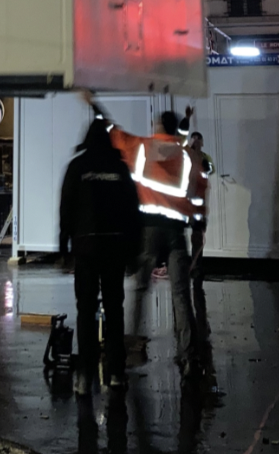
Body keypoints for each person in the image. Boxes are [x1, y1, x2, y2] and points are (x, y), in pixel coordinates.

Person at [81, 92, 202, 373]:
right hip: (176, 232)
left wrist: (93, 103)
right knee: (181, 295)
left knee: (139, 290)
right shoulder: (185, 154)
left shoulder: (143, 148)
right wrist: (186, 120)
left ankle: (132, 346)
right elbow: (194, 181)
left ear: (158, 126)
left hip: (148, 229)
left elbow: (111, 129)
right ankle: (188, 355)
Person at [60, 117, 141, 397]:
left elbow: (66, 207)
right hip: (114, 248)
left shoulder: (77, 167)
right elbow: (133, 210)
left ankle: (84, 376)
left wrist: (64, 246)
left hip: (85, 249)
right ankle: (116, 373)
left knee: (85, 311)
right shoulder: (119, 168)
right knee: (114, 310)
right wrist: (134, 249)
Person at [186, 131, 214, 278]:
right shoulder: (186, 155)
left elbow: (211, 169)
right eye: (194, 138)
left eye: (199, 139)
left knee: (197, 235)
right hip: (185, 202)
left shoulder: (205, 158)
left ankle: (196, 265)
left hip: (198, 203)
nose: (196, 141)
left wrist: (206, 167)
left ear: (202, 142)